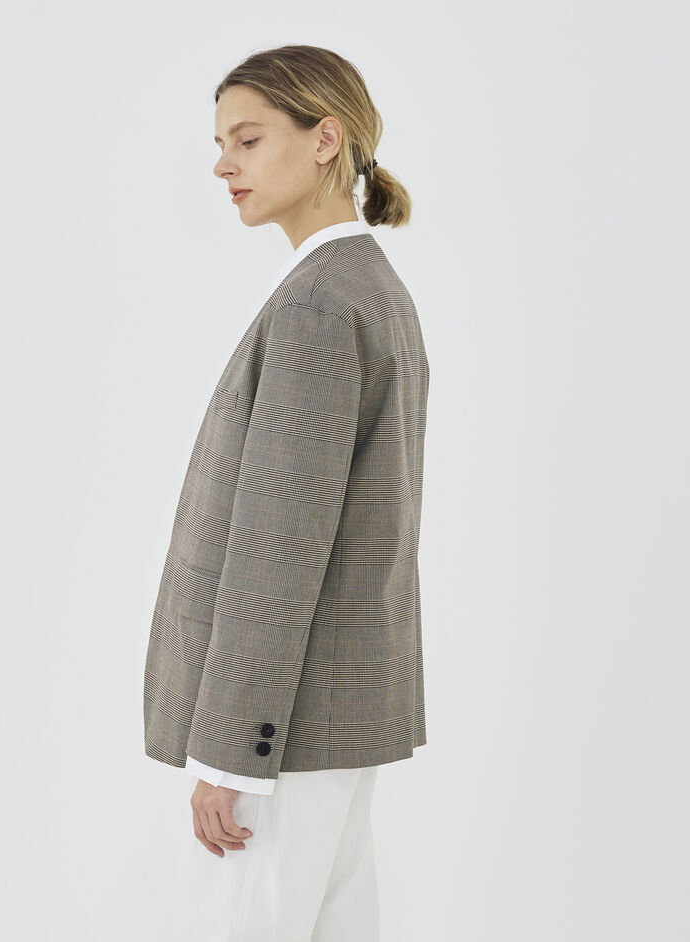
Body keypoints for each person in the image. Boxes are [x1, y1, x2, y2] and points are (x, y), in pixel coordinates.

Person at [143, 43, 431, 941]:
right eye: (220, 143)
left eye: (248, 138)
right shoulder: (367, 287)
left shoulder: (317, 303)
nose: (222, 165)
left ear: (324, 139)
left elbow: (279, 543)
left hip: (284, 726)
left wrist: (233, 753)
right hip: (336, 710)